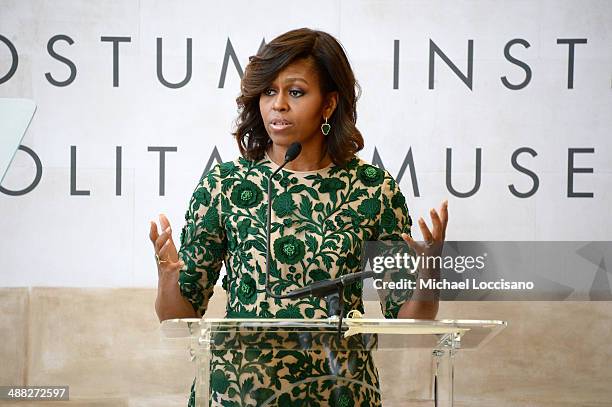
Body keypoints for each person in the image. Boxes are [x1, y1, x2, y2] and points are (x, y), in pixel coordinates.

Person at [150, 27, 448, 407]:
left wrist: (429, 274)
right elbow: (178, 318)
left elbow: (411, 327)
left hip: (340, 392)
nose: (278, 105)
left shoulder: (372, 189)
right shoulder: (225, 184)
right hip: (239, 395)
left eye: (295, 92)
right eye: (269, 91)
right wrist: (167, 279)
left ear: (328, 104)